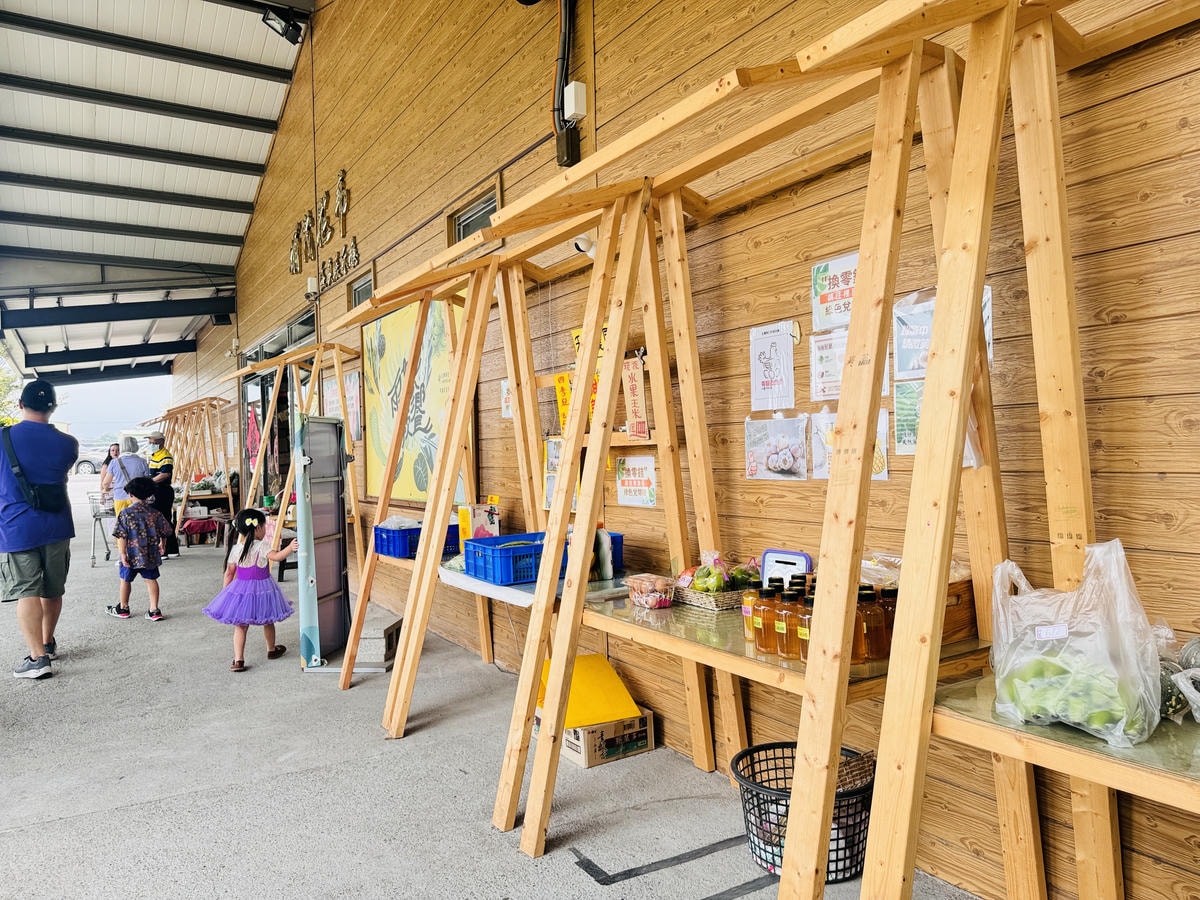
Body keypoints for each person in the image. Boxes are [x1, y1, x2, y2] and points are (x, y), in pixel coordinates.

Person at [1, 379, 78, 680]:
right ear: (53, 407)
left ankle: (37, 658)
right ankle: (48, 641)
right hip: (57, 524)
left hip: (16, 526)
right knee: (52, 587)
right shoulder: (68, 444)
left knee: (27, 590)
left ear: (20, 404)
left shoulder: (3, 438)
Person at [203, 508, 298, 672]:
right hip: (263, 589)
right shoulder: (262, 546)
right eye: (264, 526)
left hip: (241, 590)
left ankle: (238, 660)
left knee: (241, 625)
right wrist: (290, 547)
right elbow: (277, 557)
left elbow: (229, 573)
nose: (265, 529)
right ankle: (271, 649)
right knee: (268, 619)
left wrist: (227, 596)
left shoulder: (236, 549)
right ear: (258, 528)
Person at [106, 477, 172, 621]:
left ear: (130, 494)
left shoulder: (126, 513)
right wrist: (163, 544)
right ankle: (154, 610)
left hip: (131, 555)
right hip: (150, 554)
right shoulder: (155, 513)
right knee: (151, 579)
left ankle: (123, 608)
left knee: (125, 580)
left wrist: (122, 553)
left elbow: (121, 535)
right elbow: (165, 531)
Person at [145, 430, 180, 558]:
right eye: (149, 441)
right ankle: (171, 549)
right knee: (163, 519)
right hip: (157, 490)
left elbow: (165, 474)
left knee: (162, 519)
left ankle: (165, 550)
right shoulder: (155, 455)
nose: (150, 443)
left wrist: (150, 481)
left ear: (161, 442)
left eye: (153, 441)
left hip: (162, 490)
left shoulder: (165, 456)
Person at [100, 436, 151, 515]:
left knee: (122, 523)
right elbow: (147, 481)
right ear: (135, 446)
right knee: (138, 523)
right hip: (138, 498)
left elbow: (106, 483)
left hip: (120, 497)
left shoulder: (114, 462)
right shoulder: (142, 462)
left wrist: (111, 488)